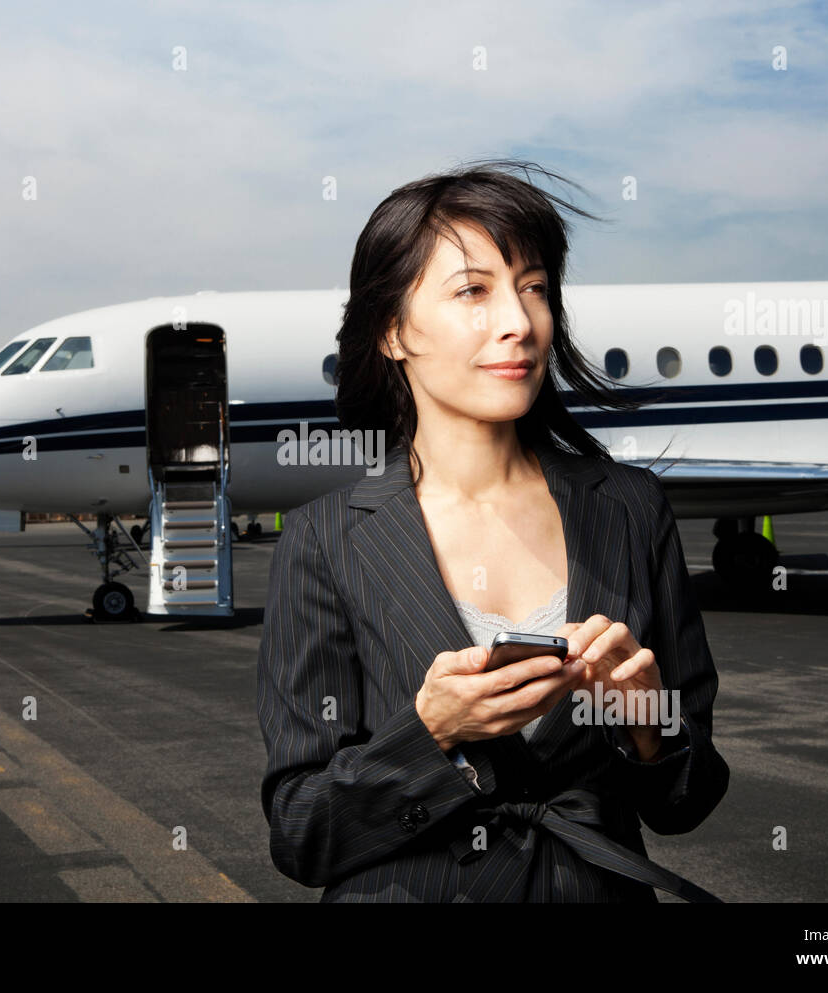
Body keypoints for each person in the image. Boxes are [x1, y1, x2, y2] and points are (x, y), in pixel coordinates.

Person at [256, 159, 730, 902]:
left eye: (534, 287)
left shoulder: (632, 509)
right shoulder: (324, 542)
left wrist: (648, 717)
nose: (519, 320)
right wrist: (430, 731)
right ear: (391, 329)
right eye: (474, 290)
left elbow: (687, 798)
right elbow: (302, 831)